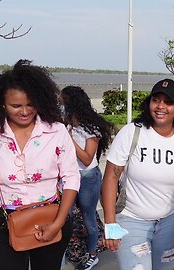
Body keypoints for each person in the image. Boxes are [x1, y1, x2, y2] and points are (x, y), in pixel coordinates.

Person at [0, 59, 80, 270]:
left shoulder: (56, 131)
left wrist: (58, 223)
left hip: (50, 217)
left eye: (30, 104)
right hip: (2, 222)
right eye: (16, 106)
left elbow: (71, 178)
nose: (24, 111)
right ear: (2, 104)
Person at [101, 79, 174, 270]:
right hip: (132, 221)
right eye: (156, 100)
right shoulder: (132, 132)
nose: (160, 106)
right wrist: (110, 224)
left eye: (168, 102)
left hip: (168, 225)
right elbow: (111, 177)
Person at [59, 86, 113, 270]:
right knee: (65, 216)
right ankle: (68, 250)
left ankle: (92, 255)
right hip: (68, 177)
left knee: (88, 217)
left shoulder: (90, 128)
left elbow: (87, 158)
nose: (59, 102)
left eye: (62, 99)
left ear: (71, 102)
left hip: (88, 178)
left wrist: (69, 139)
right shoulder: (65, 124)